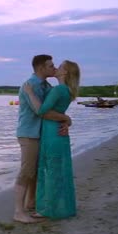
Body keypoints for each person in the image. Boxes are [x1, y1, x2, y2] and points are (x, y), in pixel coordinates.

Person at [14, 55, 72, 224]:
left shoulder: (46, 86)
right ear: (41, 68)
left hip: (42, 134)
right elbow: (42, 111)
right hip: (29, 133)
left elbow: (52, 109)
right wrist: (65, 118)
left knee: (36, 171)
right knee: (26, 171)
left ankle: (31, 202)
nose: (54, 68)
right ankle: (18, 211)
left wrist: (66, 119)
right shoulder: (30, 85)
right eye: (51, 66)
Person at [24, 60, 81, 220]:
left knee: (50, 171)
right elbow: (55, 110)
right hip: (58, 132)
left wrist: (29, 93)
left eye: (60, 67)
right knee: (57, 171)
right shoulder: (67, 91)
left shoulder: (58, 90)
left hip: (51, 133)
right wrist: (66, 119)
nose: (56, 68)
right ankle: (59, 207)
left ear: (65, 73)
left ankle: (46, 210)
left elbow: (42, 111)